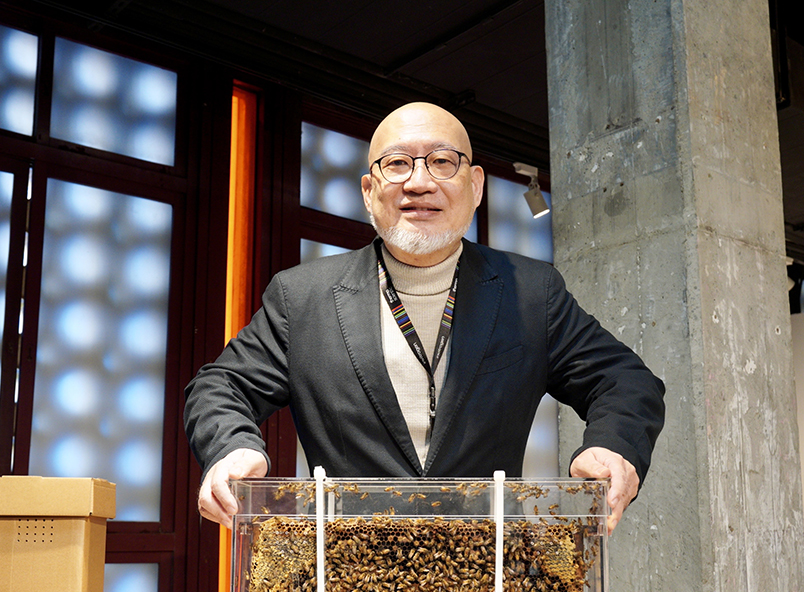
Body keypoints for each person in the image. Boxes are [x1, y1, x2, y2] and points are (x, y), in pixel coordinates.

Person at [184, 102, 665, 534]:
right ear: (370, 191)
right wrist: (231, 446)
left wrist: (613, 446)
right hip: (340, 580)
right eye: (397, 164)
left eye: (442, 161)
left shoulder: (531, 292)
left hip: (493, 584)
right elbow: (220, 386)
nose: (419, 181)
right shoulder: (301, 296)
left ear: (474, 185)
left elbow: (624, 379)